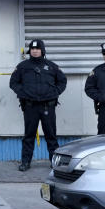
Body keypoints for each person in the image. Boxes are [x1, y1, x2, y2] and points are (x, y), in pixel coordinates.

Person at [10, 39, 67, 171]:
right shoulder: (22, 66)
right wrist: (23, 93)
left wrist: (54, 93)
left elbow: (62, 81)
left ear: (42, 50)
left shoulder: (51, 66)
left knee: (51, 136)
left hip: (48, 106)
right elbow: (13, 83)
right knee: (29, 136)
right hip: (30, 107)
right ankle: (25, 162)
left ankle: (54, 162)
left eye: (37, 49)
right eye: (32, 49)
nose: (35, 51)